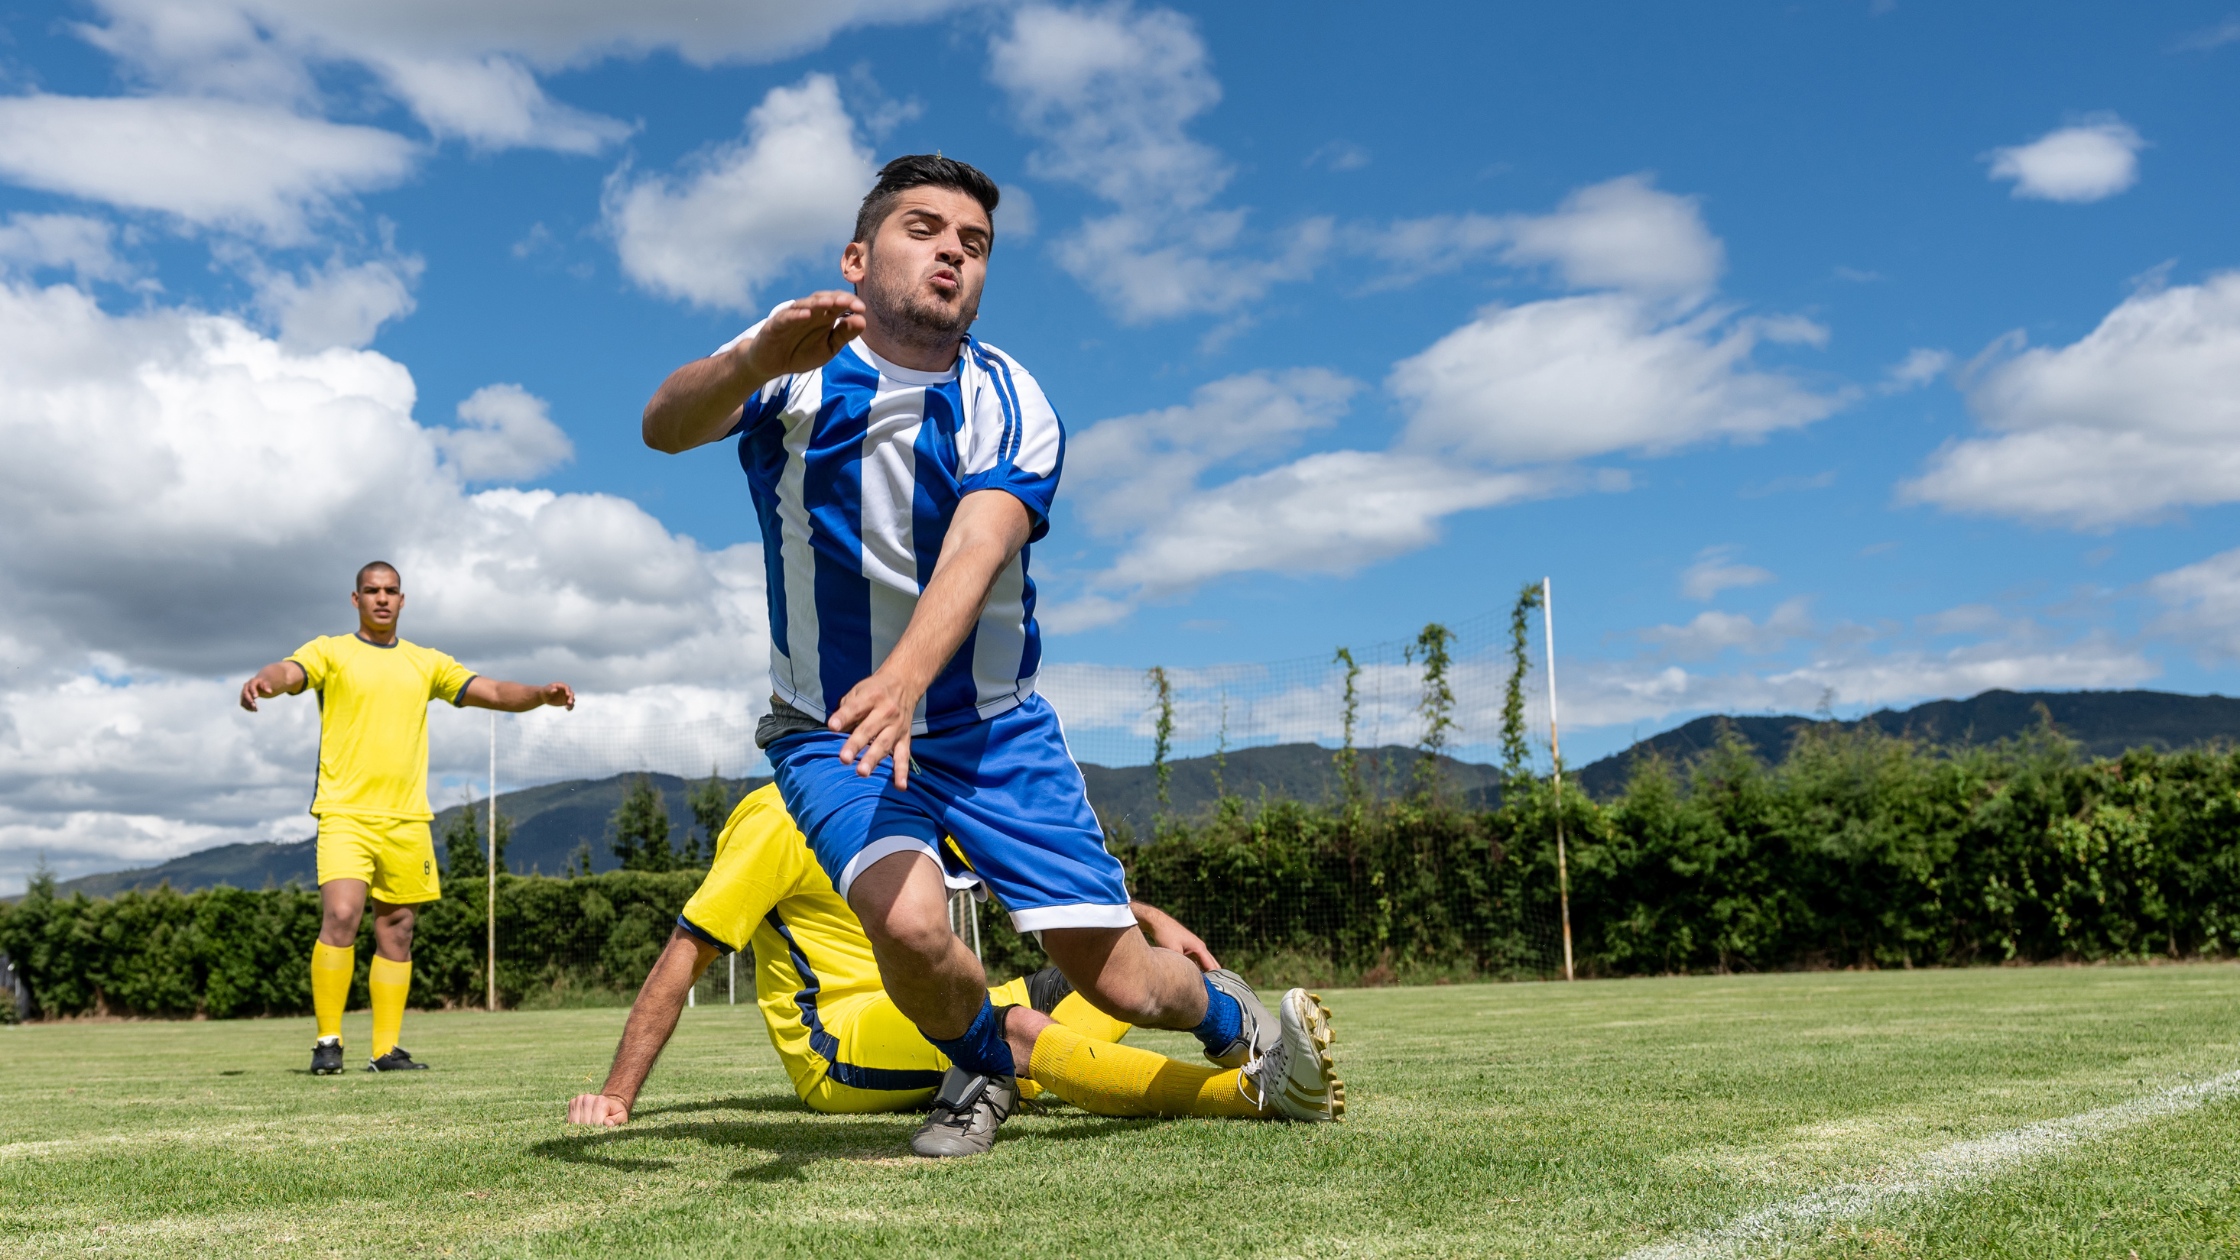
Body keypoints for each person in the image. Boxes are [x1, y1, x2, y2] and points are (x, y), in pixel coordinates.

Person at [640, 153, 1341, 1154]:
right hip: (827, 729)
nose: (951, 254)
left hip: (991, 731)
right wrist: (751, 359)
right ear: (856, 255)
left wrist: (909, 675)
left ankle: (1237, 1025)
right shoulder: (787, 364)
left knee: (1126, 985)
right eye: (922, 228)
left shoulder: (1007, 394)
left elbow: (979, 542)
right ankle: (980, 1063)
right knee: (915, 926)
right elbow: (663, 427)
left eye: (972, 244)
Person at [565, 786, 1343, 1152]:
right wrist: (616, 1096)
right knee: (1020, 1031)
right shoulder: (774, 819)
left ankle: (1225, 1031)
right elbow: (683, 955)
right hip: (839, 1041)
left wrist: (1144, 920)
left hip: (928, 1000)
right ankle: (1256, 1096)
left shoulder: (896, 800)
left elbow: (1027, 881)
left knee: (1106, 976)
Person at [240, 561, 576, 1074]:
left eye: (390, 591)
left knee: (397, 931)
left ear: (402, 599)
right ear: (355, 600)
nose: (381, 598)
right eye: (371, 591)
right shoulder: (330, 651)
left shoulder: (426, 662)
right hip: (345, 812)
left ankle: (385, 1050)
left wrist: (541, 696)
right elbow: (289, 673)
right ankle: (327, 1042)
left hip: (407, 819)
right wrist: (263, 682)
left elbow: (492, 691)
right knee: (343, 915)